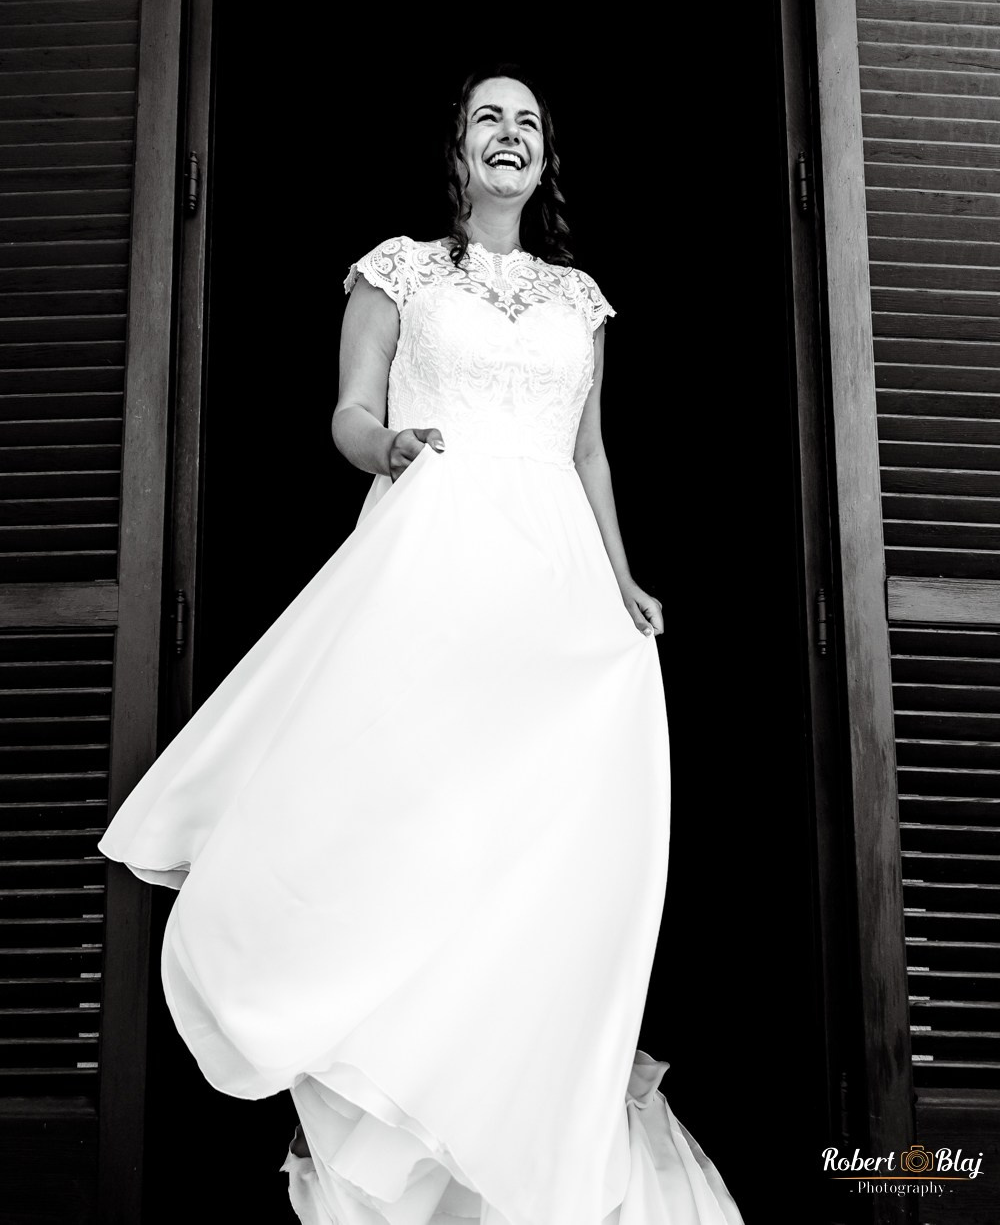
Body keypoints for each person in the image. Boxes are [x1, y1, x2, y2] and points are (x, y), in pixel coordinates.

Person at [99, 64, 745, 1224]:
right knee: (425, 827)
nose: (510, 132)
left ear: (544, 160)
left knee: (544, 853)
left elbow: (587, 452)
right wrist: (388, 447)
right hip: (438, 558)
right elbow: (349, 411)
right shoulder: (397, 269)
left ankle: (516, 1104)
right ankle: (395, 1090)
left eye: (528, 121)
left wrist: (620, 577)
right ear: (458, 150)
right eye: (489, 116)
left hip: (555, 590)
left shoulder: (579, 297)